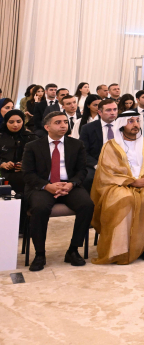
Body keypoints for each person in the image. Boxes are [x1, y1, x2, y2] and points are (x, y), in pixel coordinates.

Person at [89, 110, 144, 265]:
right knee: (125, 198)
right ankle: (120, 249)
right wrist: (132, 182)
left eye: (137, 121)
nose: (135, 125)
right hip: (118, 185)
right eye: (130, 121)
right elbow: (106, 172)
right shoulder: (110, 146)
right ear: (121, 125)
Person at [20, 112, 93, 271]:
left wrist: (71, 184)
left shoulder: (76, 144)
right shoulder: (33, 146)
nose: (63, 125)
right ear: (47, 127)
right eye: (58, 122)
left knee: (87, 205)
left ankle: (73, 250)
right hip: (42, 187)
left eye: (65, 122)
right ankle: (40, 254)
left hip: (68, 185)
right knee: (40, 208)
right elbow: (27, 174)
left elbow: (82, 170)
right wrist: (47, 186)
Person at [1, 110, 35, 233]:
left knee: (26, 184)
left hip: (25, 174)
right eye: (11, 122)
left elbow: (39, 157)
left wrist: (25, 165)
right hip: (3, 173)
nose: (15, 125)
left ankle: (24, 226)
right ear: (5, 122)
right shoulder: (1, 136)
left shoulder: (31, 137)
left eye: (19, 121)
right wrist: (2, 164)